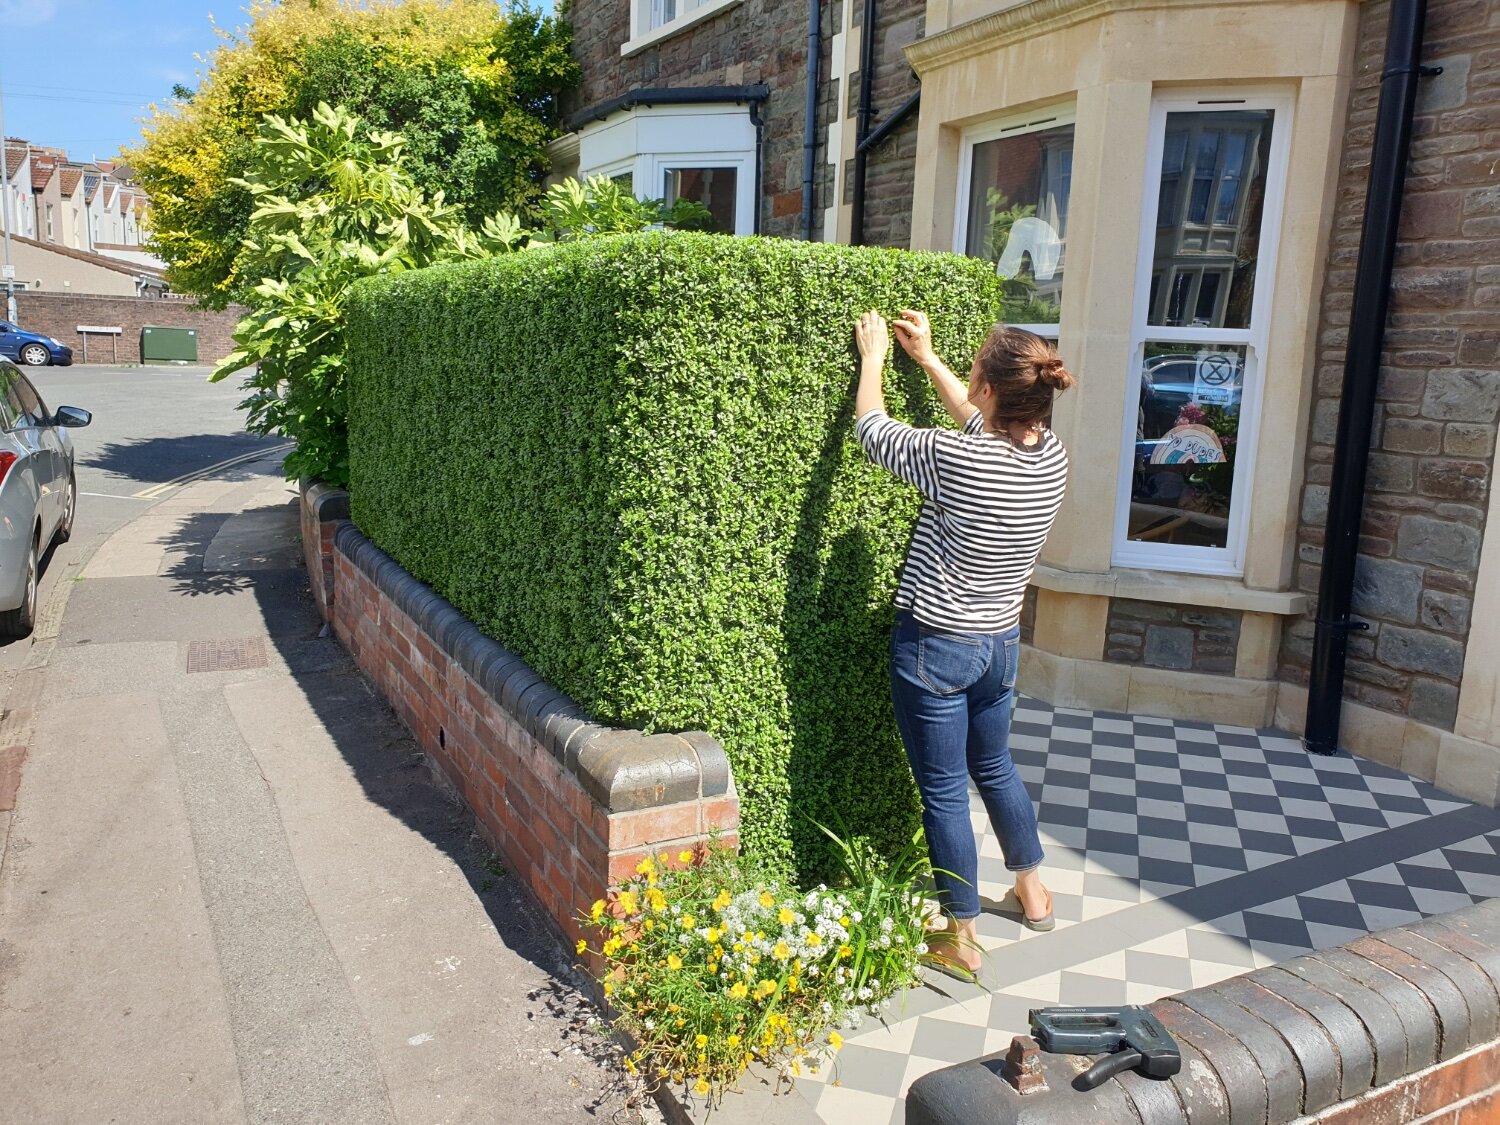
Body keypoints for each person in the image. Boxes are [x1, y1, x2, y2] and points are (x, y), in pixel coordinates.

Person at [852, 308, 1074, 978]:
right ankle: (1033, 892)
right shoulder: (1050, 455)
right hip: (999, 642)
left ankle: (963, 935)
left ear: (989, 386)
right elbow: (982, 422)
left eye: (974, 364)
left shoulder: (957, 459)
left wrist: (873, 361)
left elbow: (873, 431)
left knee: (944, 788)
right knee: (996, 765)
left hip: (936, 647)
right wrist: (928, 358)